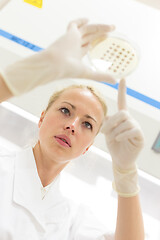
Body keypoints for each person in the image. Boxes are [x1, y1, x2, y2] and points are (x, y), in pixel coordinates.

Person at [0, 18, 145, 240]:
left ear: (87, 148)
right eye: (66, 111)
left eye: (87, 124)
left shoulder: (73, 218)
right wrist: (22, 76)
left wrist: (126, 173)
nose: (72, 125)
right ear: (41, 118)